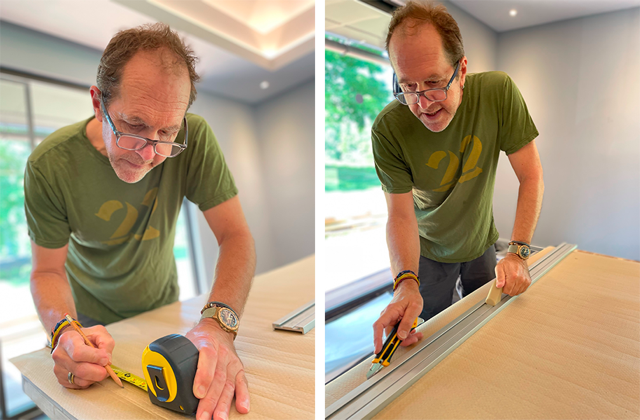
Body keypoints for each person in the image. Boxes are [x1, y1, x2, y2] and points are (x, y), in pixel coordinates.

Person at [24, 23, 255, 420]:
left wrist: (218, 323)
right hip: (89, 320)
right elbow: (47, 270)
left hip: (165, 307)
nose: (149, 153)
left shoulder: (194, 138)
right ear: (98, 104)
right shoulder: (49, 165)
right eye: (134, 126)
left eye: (167, 132)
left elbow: (235, 236)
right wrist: (63, 331)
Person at [371, 1, 544, 355]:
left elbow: (531, 176)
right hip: (428, 250)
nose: (422, 103)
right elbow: (400, 214)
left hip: (481, 240)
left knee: (489, 322)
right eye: (408, 87)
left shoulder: (498, 93)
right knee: (433, 334)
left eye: (434, 82)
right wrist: (404, 282)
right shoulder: (388, 128)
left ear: (462, 70)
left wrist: (518, 252)